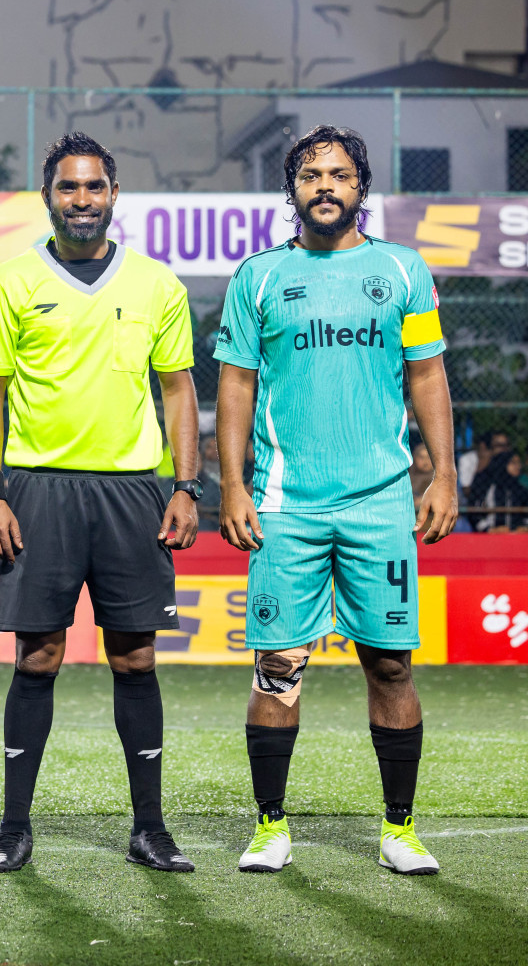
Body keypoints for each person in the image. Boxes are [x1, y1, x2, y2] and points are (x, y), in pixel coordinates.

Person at [216, 124, 456, 876]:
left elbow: (427, 377)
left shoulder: (404, 270)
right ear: (292, 190)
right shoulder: (257, 277)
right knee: (278, 665)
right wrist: (230, 484)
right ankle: (269, 825)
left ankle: (400, 829)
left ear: (361, 188)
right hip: (287, 504)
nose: (325, 185)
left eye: (340, 174)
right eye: (311, 174)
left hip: (381, 503)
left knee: (391, 666)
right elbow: (234, 385)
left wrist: (443, 473)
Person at [0, 132, 201, 874]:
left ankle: (150, 827)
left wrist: (185, 485)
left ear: (113, 195)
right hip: (37, 489)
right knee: (36, 656)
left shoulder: (157, 285)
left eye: (94, 187)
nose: (82, 200)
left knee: (134, 657)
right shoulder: (10, 282)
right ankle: (14, 827)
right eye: (68, 188)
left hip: (133, 492)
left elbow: (177, 390)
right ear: (47, 198)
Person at [466, 449, 527, 532]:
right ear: (503, 464)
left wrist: (524, 527)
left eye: (519, 463)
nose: (518, 466)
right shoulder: (487, 487)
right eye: (513, 463)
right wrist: (490, 529)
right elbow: (474, 515)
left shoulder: (521, 489)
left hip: (516, 535)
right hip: (491, 535)